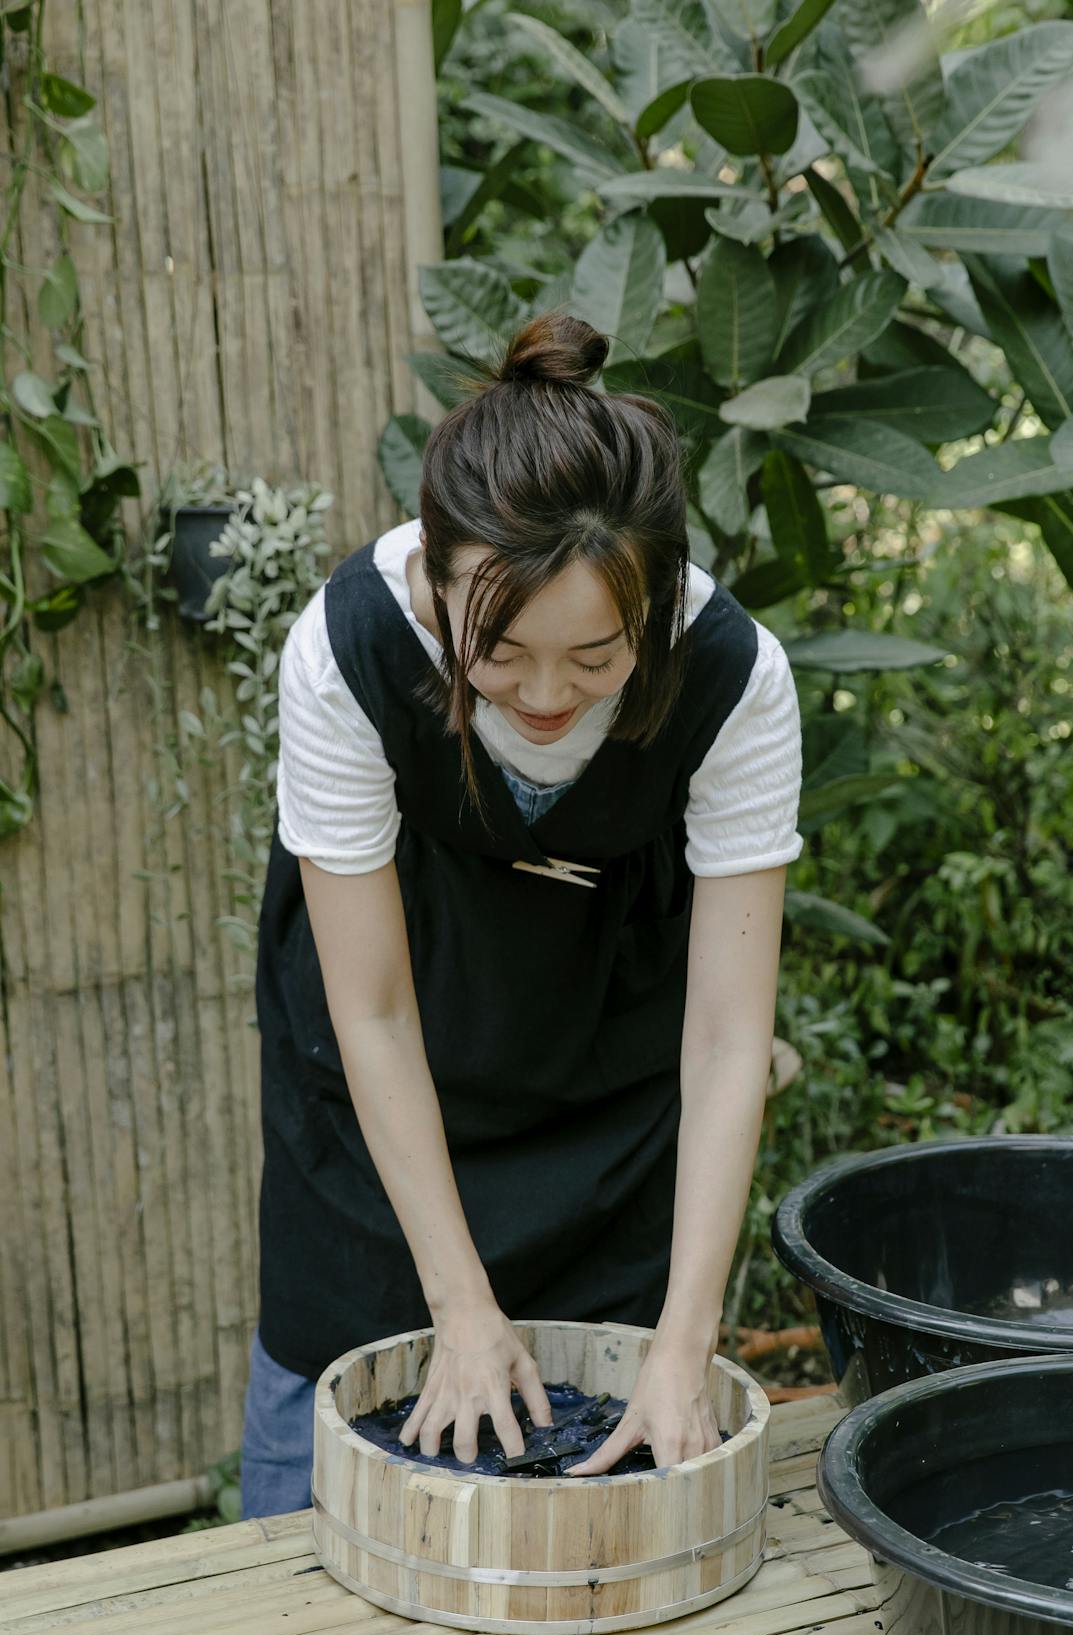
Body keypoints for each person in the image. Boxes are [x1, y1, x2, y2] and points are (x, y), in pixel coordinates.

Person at [240, 309, 802, 1516]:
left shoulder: (734, 678)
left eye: (597, 659)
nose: (547, 695)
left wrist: (681, 1340)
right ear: (436, 577)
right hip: (383, 1083)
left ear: (650, 609)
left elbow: (724, 1037)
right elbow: (374, 1008)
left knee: (611, 1478)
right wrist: (457, 1303)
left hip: (612, 1093)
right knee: (315, 1510)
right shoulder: (346, 651)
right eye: (496, 652)